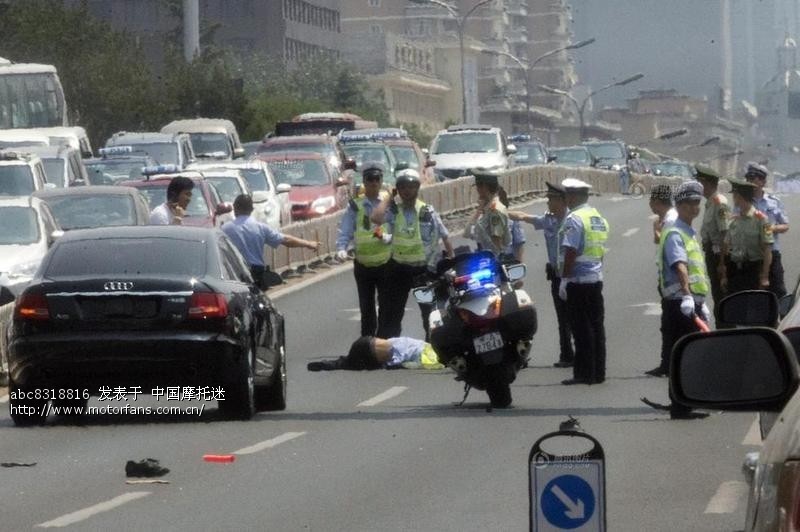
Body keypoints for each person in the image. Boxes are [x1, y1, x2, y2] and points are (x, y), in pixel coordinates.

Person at [644, 180, 711, 419]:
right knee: (683, 354)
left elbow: (696, 270)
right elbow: (680, 267)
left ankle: (684, 402)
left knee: (688, 354)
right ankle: (680, 405)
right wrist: (688, 297)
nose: (696, 207)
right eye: (691, 203)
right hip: (679, 303)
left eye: (698, 203)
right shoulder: (675, 233)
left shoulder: (688, 232)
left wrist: (702, 302)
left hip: (691, 302)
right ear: (680, 206)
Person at [371, 168, 453, 338]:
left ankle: (434, 350)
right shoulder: (394, 211)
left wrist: (450, 260)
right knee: (391, 312)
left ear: (417, 188)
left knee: (429, 313)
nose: (407, 191)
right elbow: (376, 218)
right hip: (399, 270)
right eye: (403, 188)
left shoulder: (427, 211)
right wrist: (388, 197)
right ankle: (390, 350)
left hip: (422, 271)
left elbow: (444, 236)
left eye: (411, 187)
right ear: (398, 190)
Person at [508, 181, 574, 368]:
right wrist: (500, 211)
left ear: (562, 201)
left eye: (551, 199)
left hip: (571, 275)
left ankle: (581, 353)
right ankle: (567, 354)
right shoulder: (549, 220)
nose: (547, 203)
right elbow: (522, 216)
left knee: (574, 317)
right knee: (562, 317)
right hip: (556, 275)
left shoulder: (573, 220)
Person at [557, 178, 609, 385]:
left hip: (578, 281)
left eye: (567, 195)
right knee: (597, 327)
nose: (566, 199)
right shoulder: (597, 217)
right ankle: (598, 372)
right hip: (595, 279)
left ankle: (584, 373)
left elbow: (570, 251)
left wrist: (564, 279)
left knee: (581, 329)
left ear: (573, 196)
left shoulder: (575, 219)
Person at [335, 162, 394, 337]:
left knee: (386, 305)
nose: (373, 183)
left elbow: (397, 228)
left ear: (381, 180)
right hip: (363, 265)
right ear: (364, 181)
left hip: (385, 263)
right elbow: (345, 229)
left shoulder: (389, 204)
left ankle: (384, 342)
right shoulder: (355, 206)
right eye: (370, 179)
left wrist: (388, 238)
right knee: (366, 307)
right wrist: (341, 248)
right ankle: (367, 344)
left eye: (377, 179)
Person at [222, 194, 321, 289]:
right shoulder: (260, 228)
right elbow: (286, 240)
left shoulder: (225, 229)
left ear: (235, 208)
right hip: (256, 273)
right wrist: (308, 243)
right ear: (252, 209)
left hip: (234, 272)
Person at [720, 179, 773, 295]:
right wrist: (724, 275)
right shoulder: (734, 220)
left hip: (752, 271)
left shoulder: (762, 219)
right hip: (734, 271)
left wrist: (765, 277)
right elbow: (726, 247)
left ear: (739, 196)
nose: (734, 199)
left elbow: (768, 249)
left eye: (735, 195)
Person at [745, 162, 789, 298]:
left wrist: (771, 228)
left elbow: (785, 225)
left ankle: (783, 319)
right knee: (753, 293)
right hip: (751, 255)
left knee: (779, 291)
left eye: (753, 178)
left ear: (762, 181)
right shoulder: (743, 202)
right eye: (748, 178)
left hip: (772, 253)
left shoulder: (773, 201)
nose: (750, 182)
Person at [696, 165, 730, 322]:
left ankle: (725, 331)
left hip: (719, 255)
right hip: (711, 253)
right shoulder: (710, 202)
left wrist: (722, 263)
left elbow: (725, 235)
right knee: (717, 295)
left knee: (722, 297)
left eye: (699, 183)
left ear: (707, 184)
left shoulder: (719, 202)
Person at [306, 335, 445, 371]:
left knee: (348, 362)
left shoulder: (394, 349)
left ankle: (327, 365)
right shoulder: (395, 357)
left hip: (368, 347)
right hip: (369, 349)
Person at [462, 169, 511, 257]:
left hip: (495, 259)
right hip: (486, 256)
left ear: (484, 187)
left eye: (478, 186)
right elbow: (467, 232)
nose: (477, 190)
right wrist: (479, 209)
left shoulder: (495, 209)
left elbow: (497, 240)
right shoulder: (487, 208)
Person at [498, 187, 526, 262]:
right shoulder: (481, 221)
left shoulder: (512, 219)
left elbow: (519, 244)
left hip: (507, 260)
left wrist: (519, 264)